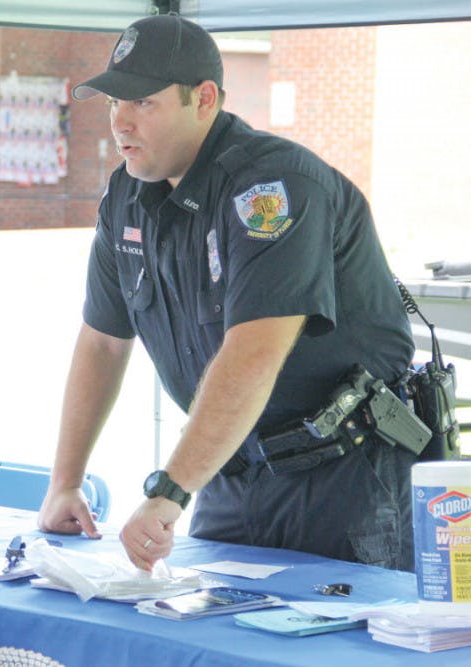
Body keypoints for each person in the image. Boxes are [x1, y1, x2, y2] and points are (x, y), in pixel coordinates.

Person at [37, 15, 419, 572]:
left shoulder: (273, 186)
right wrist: (65, 483)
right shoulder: (126, 195)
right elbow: (102, 342)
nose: (121, 120)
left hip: (345, 476)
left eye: (143, 102)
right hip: (229, 471)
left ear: (205, 98)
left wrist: (169, 491)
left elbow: (255, 350)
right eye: (114, 102)